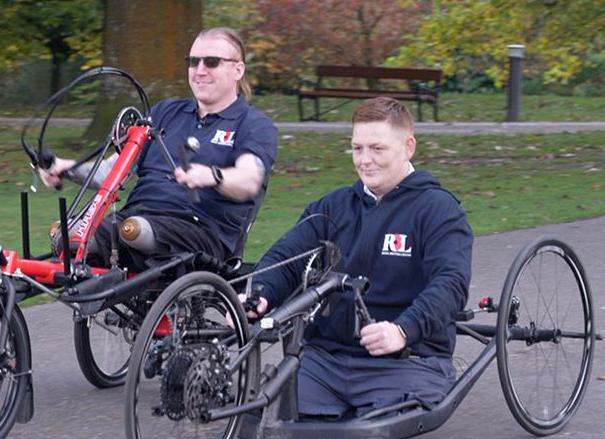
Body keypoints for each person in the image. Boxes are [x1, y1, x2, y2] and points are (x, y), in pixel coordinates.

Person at [245, 97, 473, 419]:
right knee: (264, 419)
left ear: (408, 147)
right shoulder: (332, 207)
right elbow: (288, 257)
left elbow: (451, 284)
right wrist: (260, 294)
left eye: (377, 149)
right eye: (357, 148)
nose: (365, 160)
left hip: (408, 361)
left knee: (369, 430)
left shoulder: (439, 210)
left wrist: (402, 330)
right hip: (325, 360)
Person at [40, 27, 278, 271]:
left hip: (199, 230)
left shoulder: (253, 124)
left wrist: (212, 176)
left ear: (238, 70)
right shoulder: (165, 112)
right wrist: (66, 168)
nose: (200, 70)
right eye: (194, 62)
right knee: (71, 235)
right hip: (134, 218)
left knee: (132, 230)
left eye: (212, 62)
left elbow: (249, 180)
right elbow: (112, 170)